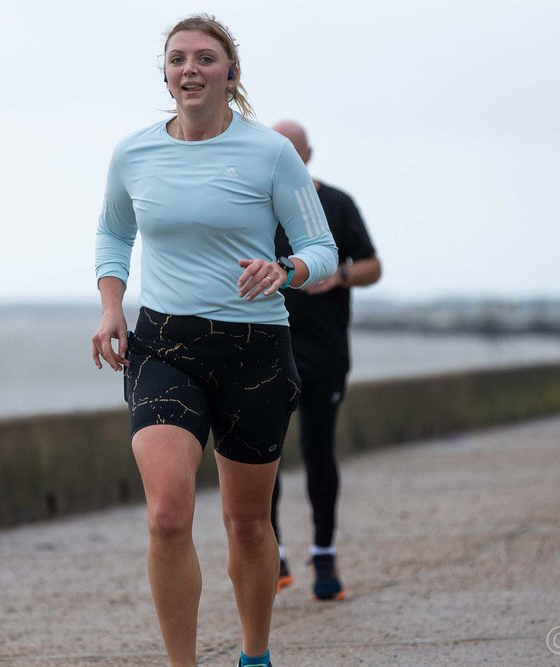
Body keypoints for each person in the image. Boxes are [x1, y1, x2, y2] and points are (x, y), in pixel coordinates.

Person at [91, 16, 337, 667]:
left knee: (247, 522)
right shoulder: (134, 152)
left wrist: (284, 270)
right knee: (167, 514)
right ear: (166, 73)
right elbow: (114, 236)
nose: (190, 68)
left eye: (205, 57)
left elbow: (324, 250)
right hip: (163, 345)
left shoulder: (270, 153)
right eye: (178, 59)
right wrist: (112, 307)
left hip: (253, 349)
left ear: (231, 73)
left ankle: (254, 653)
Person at [267, 121, 382, 601]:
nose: (288, 154)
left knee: (318, 454)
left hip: (326, 352)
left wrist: (341, 274)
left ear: (309, 153)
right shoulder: (256, 206)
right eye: (279, 147)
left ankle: (324, 554)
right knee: (260, 459)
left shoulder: (337, 203)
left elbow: (374, 266)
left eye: (296, 148)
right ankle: (270, 555)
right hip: (266, 350)